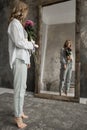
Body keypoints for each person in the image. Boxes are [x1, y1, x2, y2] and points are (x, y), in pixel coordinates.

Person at [7, 1, 38, 128]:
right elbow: (19, 43)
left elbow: (23, 44)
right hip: (18, 60)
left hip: (23, 60)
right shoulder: (14, 24)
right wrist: (31, 44)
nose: (26, 13)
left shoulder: (19, 25)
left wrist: (28, 60)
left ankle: (20, 110)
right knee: (19, 89)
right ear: (19, 10)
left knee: (23, 88)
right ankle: (17, 116)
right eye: (25, 10)